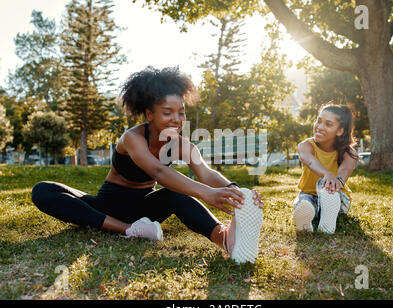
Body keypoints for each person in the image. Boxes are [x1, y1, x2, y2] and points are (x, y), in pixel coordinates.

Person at [31, 66, 264, 263]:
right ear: (149, 114)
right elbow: (158, 171)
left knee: (177, 194)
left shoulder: (181, 144)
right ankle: (129, 231)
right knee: (43, 190)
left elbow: (205, 171)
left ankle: (224, 238)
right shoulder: (133, 138)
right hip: (107, 207)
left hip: (145, 210)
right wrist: (207, 193)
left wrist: (236, 192)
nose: (177, 119)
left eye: (181, 113)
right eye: (167, 112)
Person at [293, 104, 358, 234]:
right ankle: (307, 217)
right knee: (304, 203)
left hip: (334, 192)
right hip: (309, 193)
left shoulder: (348, 152)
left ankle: (328, 214)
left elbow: (344, 171)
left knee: (328, 189)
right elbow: (310, 161)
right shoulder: (306, 145)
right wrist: (326, 173)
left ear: (340, 131)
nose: (320, 127)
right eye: (319, 121)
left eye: (328, 124)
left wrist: (335, 181)